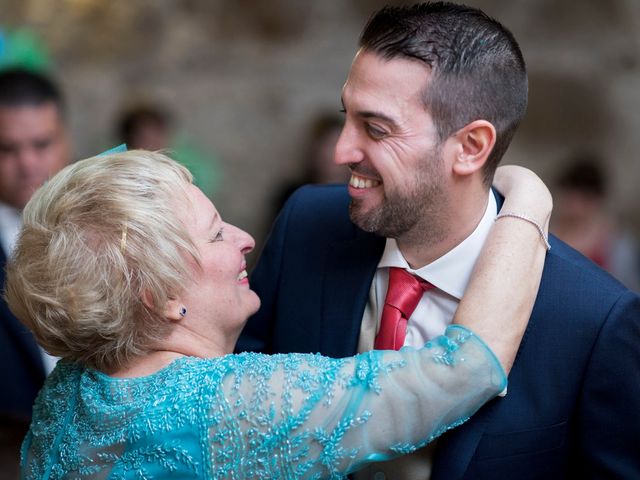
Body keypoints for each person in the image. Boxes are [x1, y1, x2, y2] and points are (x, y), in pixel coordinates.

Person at [237, 3, 640, 478]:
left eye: (376, 128)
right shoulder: (307, 224)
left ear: (470, 148)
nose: (342, 151)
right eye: (346, 117)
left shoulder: (594, 319)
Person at [6, 150, 550, 479]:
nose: (245, 239)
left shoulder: (70, 391)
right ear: (162, 297)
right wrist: (526, 196)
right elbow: (465, 368)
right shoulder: (233, 406)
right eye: (216, 232)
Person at [0, 68, 71, 442]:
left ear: (66, 141)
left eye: (41, 144)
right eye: (7, 149)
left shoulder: (109, 222)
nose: (27, 163)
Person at [552, 154, 640, 292]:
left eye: (583, 198)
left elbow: (629, 290)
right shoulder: (549, 233)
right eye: (570, 195)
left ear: (597, 199)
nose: (574, 205)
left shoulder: (617, 243)